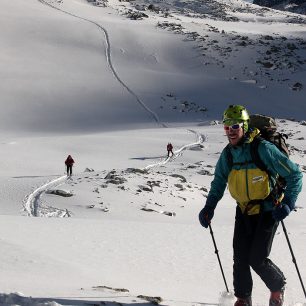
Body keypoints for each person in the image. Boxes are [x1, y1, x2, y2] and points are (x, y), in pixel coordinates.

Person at [198, 105, 303, 306]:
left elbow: (295, 175)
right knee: (240, 258)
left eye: (235, 126)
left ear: (244, 126)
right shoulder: (228, 154)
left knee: (257, 258)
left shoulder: (263, 148)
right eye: (226, 127)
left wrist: (288, 203)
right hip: (243, 210)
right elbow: (219, 181)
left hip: (269, 210)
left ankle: (277, 286)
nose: (230, 131)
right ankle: (243, 299)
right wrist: (209, 207)